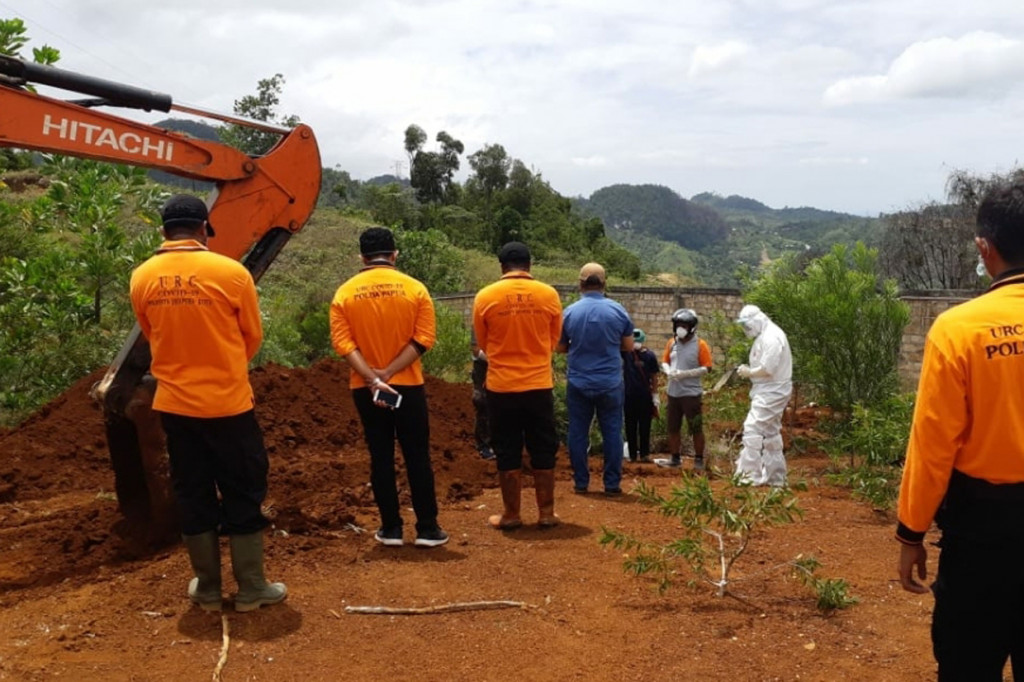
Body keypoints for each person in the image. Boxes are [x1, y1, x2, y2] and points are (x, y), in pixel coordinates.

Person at [129, 194, 285, 613]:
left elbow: (150, 332)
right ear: (203, 229)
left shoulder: (142, 277)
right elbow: (251, 336)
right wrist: (224, 364)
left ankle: (209, 588)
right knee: (243, 487)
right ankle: (252, 587)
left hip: (176, 407)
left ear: (164, 232)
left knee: (192, 489)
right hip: (229, 405)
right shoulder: (232, 273)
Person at [896, 179, 1024, 680]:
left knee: (968, 664)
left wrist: (911, 532)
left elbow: (932, 446)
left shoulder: (959, 330)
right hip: (983, 529)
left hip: (983, 537)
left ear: (984, 248)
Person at [329, 226, 448, 548]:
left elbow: (343, 344)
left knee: (380, 455)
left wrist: (373, 378)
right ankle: (427, 528)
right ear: (394, 255)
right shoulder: (415, 289)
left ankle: (391, 528)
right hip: (407, 386)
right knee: (417, 455)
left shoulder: (345, 294)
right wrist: (390, 372)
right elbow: (424, 339)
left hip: (366, 389)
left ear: (362, 257)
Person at [473, 242, 564, 529]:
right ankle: (546, 513)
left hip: (501, 387)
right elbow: (554, 339)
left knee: (506, 448)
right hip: (539, 385)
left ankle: (511, 515)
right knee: (543, 446)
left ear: (502, 267)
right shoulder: (549, 295)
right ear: (529, 265)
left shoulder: (486, 296)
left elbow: (483, 343)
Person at [557, 262, 634, 495]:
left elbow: (560, 347)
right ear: (604, 284)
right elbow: (628, 346)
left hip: (578, 381)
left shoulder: (570, 312)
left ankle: (581, 482)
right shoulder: (618, 311)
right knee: (612, 431)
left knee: (578, 432)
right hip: (610, 382)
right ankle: (611, 484)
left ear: (580, 284)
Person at [734, 304, 792, 487]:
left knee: (752, 427)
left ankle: (748, 476)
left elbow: (768, 368)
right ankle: (776, 477)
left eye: (747, 325)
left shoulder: (772, 337)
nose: (746, 329)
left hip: (773, 390)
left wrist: (749, 372)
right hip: (768, 389)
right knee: (770, 431)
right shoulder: (765, 335)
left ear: (757, 320)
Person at [657, 309, 713, 471]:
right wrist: (668, 371)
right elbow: (665, 361)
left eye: (684, 325)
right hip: (673, 392)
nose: (680, 328)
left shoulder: (700, 345)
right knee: (673, 427)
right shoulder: (672, 343)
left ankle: (699, 459)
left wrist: (685, 374)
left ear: (692, 327)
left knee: (695, 427)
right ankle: (675, 458)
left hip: (691, 393)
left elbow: (707, 368)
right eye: (678, 325)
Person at [622, 328, 660, 463]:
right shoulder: (627, 354)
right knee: (630, 426)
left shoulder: (650, 356)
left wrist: (655, 396)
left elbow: (654, 376)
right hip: (629, 395)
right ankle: (632, 455)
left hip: (645, 396)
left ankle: (644, 454)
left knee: (645, 426)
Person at [469, 328, 495, 460]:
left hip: (504, 367)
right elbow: (475, 348)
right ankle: (484, 445)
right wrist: (495, 359)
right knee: (482, 402)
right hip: (483, 367)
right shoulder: (480, 319)